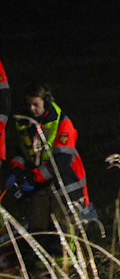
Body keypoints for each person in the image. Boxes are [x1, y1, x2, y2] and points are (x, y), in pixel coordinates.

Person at [2, 84, 93, 236]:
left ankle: (74, 253)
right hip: (40, 182)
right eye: (29, 104)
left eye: (36, 105)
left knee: (69, 224)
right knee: (39, 226)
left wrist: (33, 178)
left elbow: (61, 160)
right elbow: (24, 151)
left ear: (47, 102)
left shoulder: (62, 122)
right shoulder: (24, 122)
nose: (31, 109)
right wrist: (16, 168)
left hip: (66, 179)